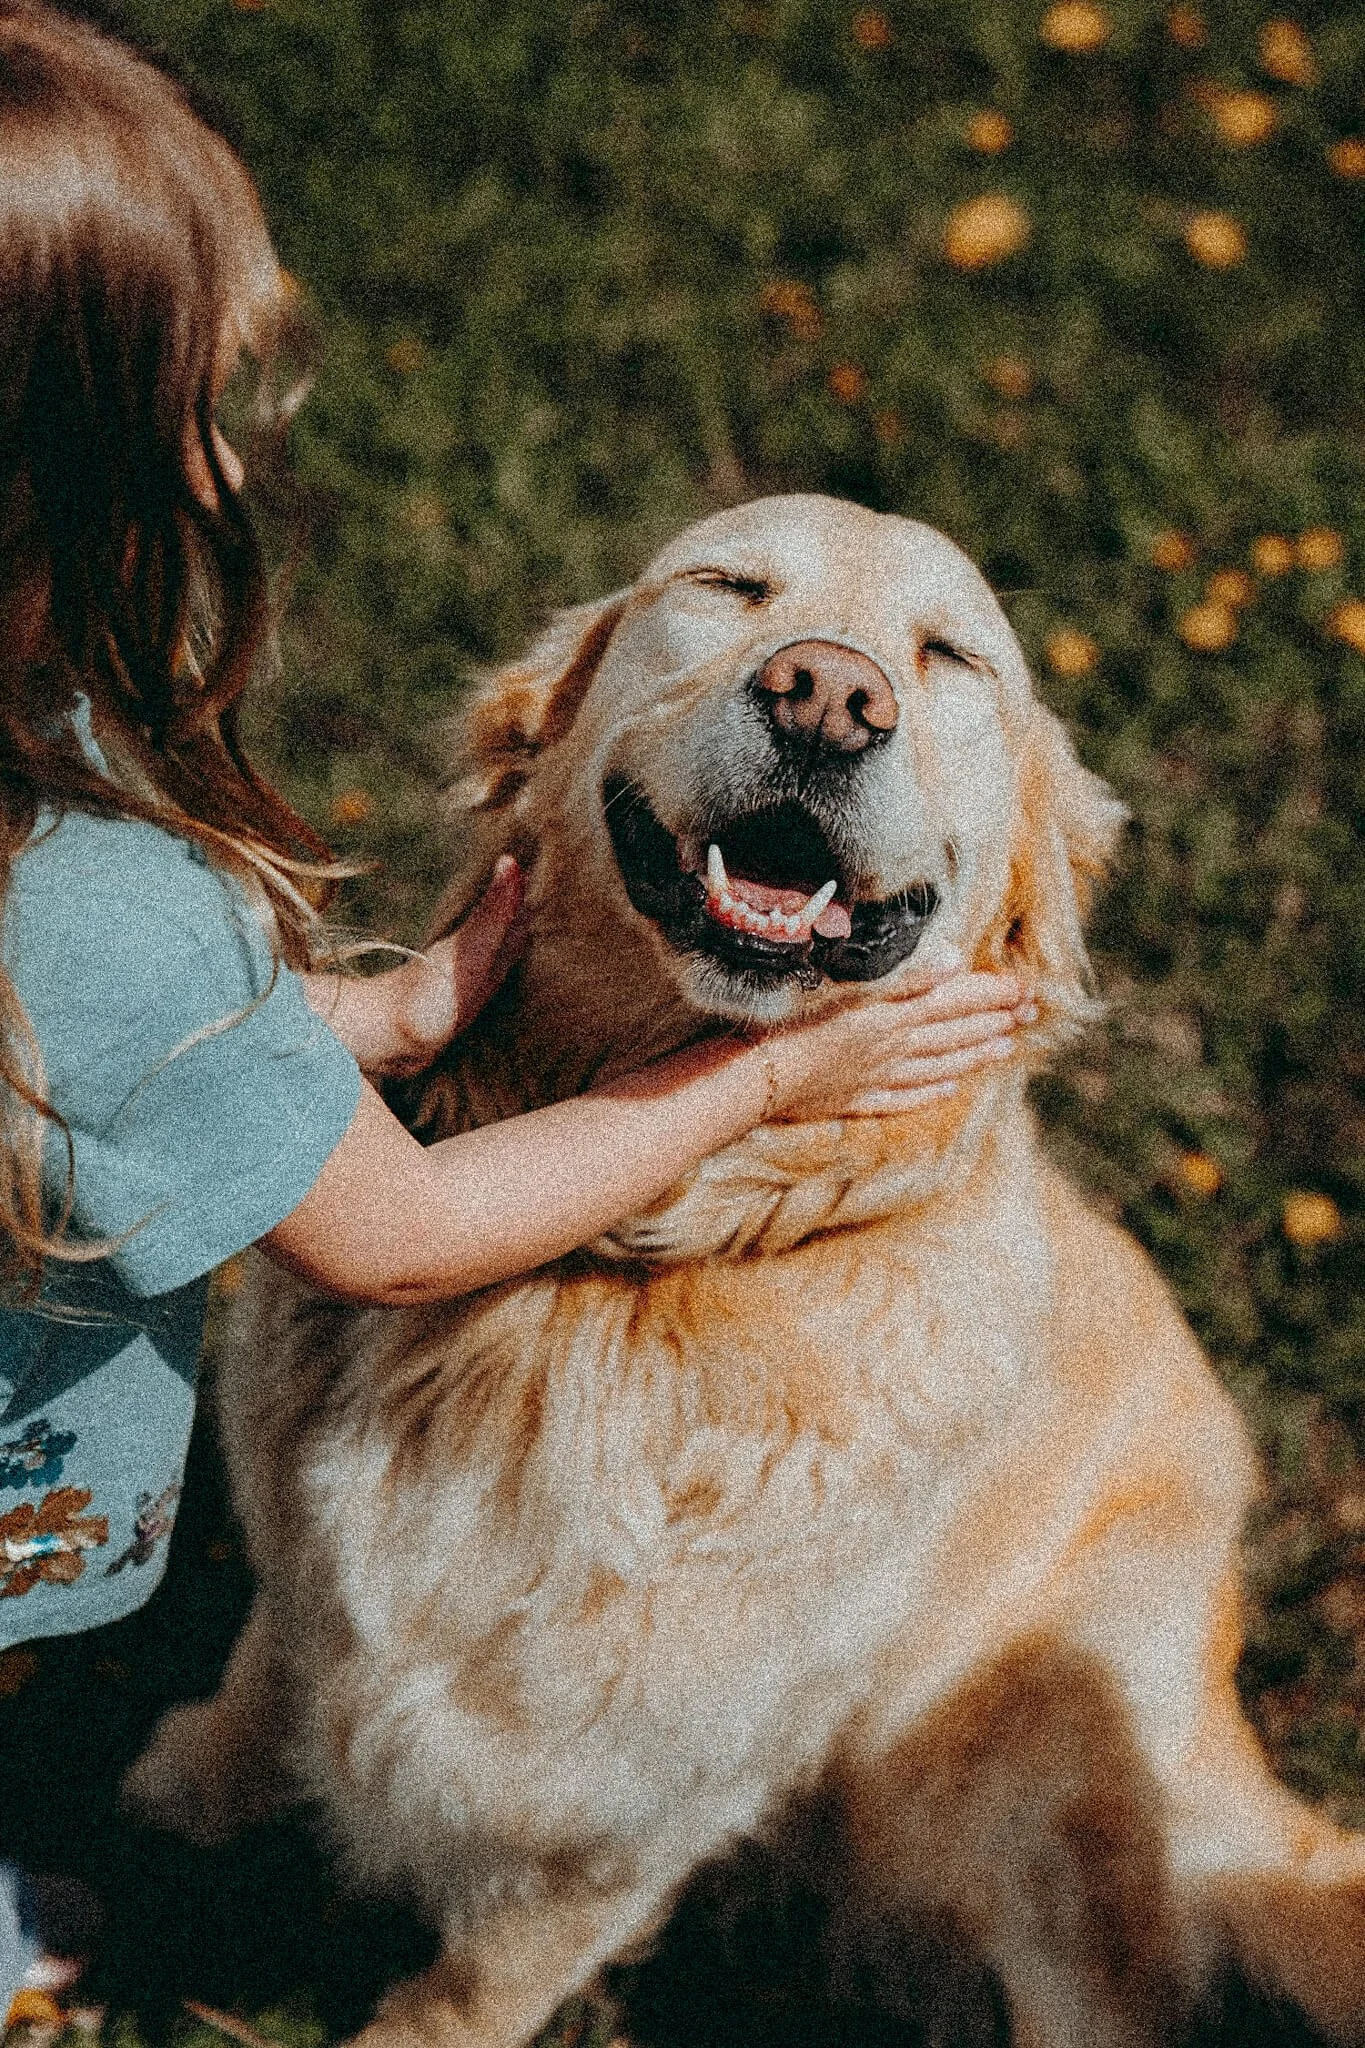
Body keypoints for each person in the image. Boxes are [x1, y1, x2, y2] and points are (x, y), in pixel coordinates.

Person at [0, 0, 1035, 2018]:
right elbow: (393, 1236)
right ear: (540, 736)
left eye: (928, 664)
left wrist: (370, 1027)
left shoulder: (36, 773)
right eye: (199, 408)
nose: (831, 687)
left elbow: (90, 1048)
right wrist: (763, 1080)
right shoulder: (104, 892)